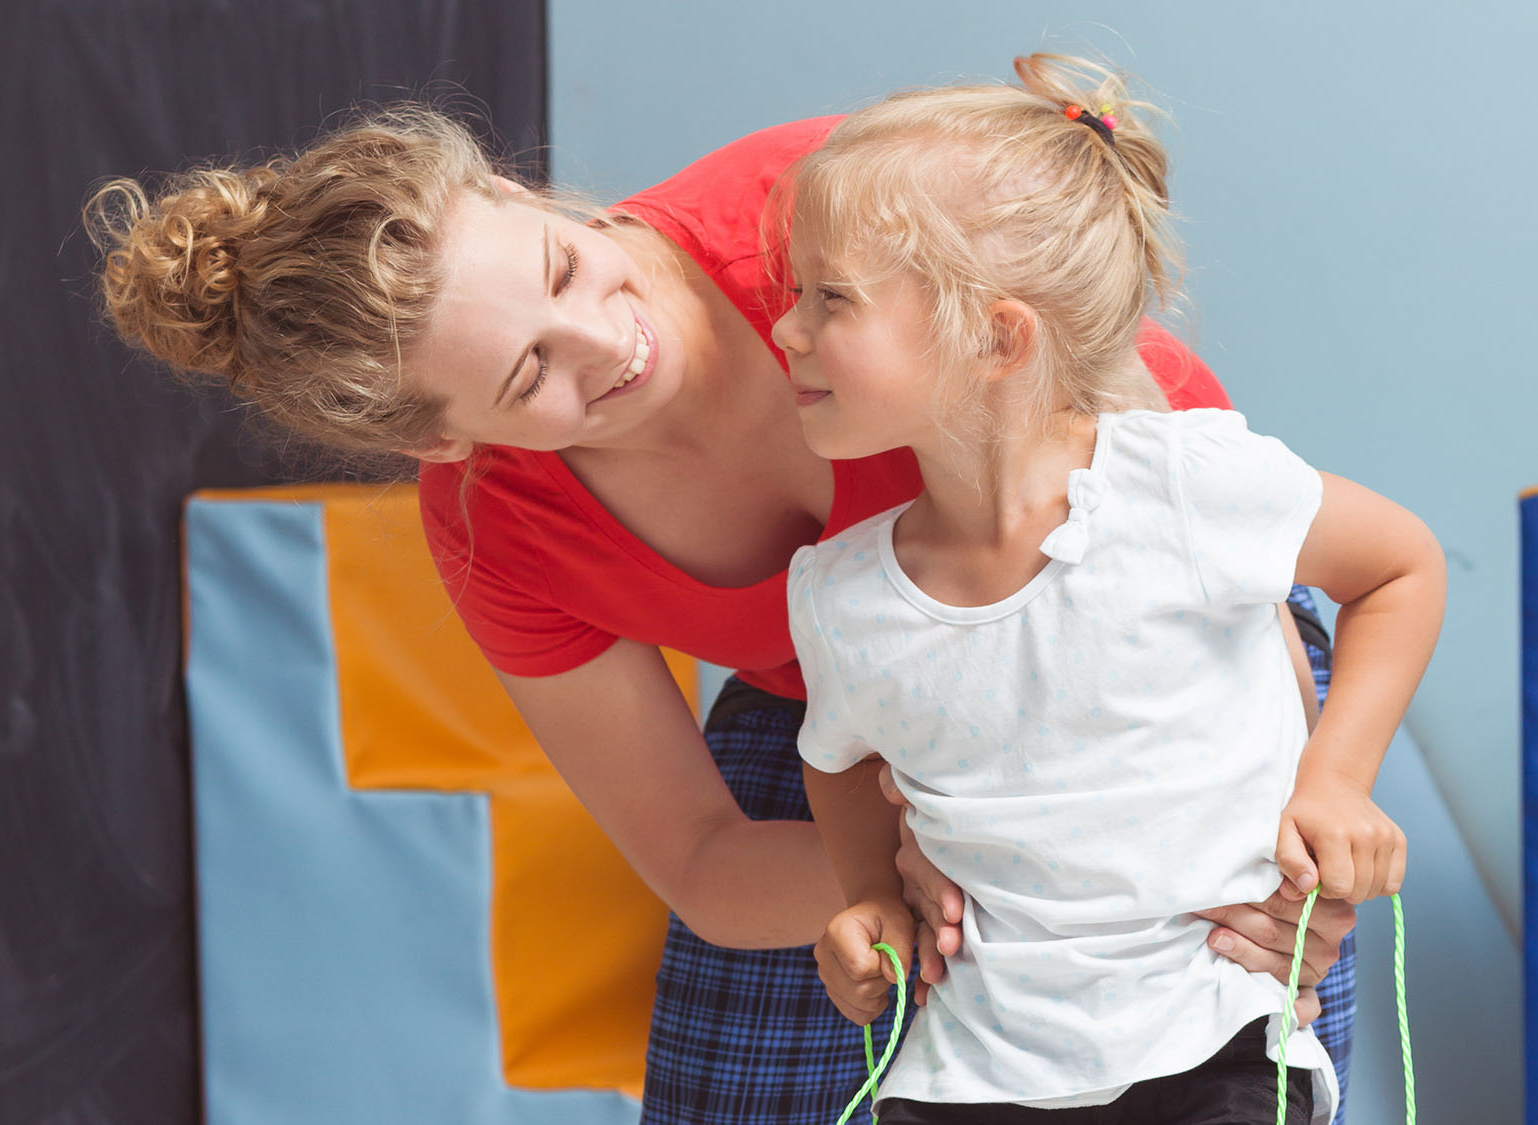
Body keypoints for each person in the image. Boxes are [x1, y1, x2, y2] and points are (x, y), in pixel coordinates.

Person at [85, 83, 1362, 1125]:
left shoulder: (824, 212)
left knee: (1217, 1028)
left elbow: (1208, 573)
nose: (604, 340)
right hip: (854, 721)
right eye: (529, 373)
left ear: (524, 194)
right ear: (441, 442)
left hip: (1158, 669)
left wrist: (1242, 855)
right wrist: (887, 886)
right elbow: (700, 861)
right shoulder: (503, 535)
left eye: (562, 268)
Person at [777, 57, 1445, 1124]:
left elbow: (1399, 565)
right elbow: (838, 764)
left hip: (1210, 1052)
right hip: (959, 1081)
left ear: (997, 337)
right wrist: (868, 902)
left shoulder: (1183, 487)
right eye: (791, 292)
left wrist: (1334, 780)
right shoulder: (839, 595)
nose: (786, 329)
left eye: (829, 298)